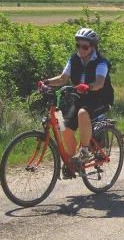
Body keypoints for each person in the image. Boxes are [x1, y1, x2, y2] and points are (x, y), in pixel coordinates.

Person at [38, 27, 114, 165]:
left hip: (100, 98)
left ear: (93, 47)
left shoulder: (101, 62)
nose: (81, 49)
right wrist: (46, 82)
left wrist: (88, 86)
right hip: (80, 98)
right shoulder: (74, 59)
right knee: (63, 124)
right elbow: (63, 78)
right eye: (78, 45)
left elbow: (99, 83)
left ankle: (84, 152)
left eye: (85, 46)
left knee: (82, 113)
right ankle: (72, 161)